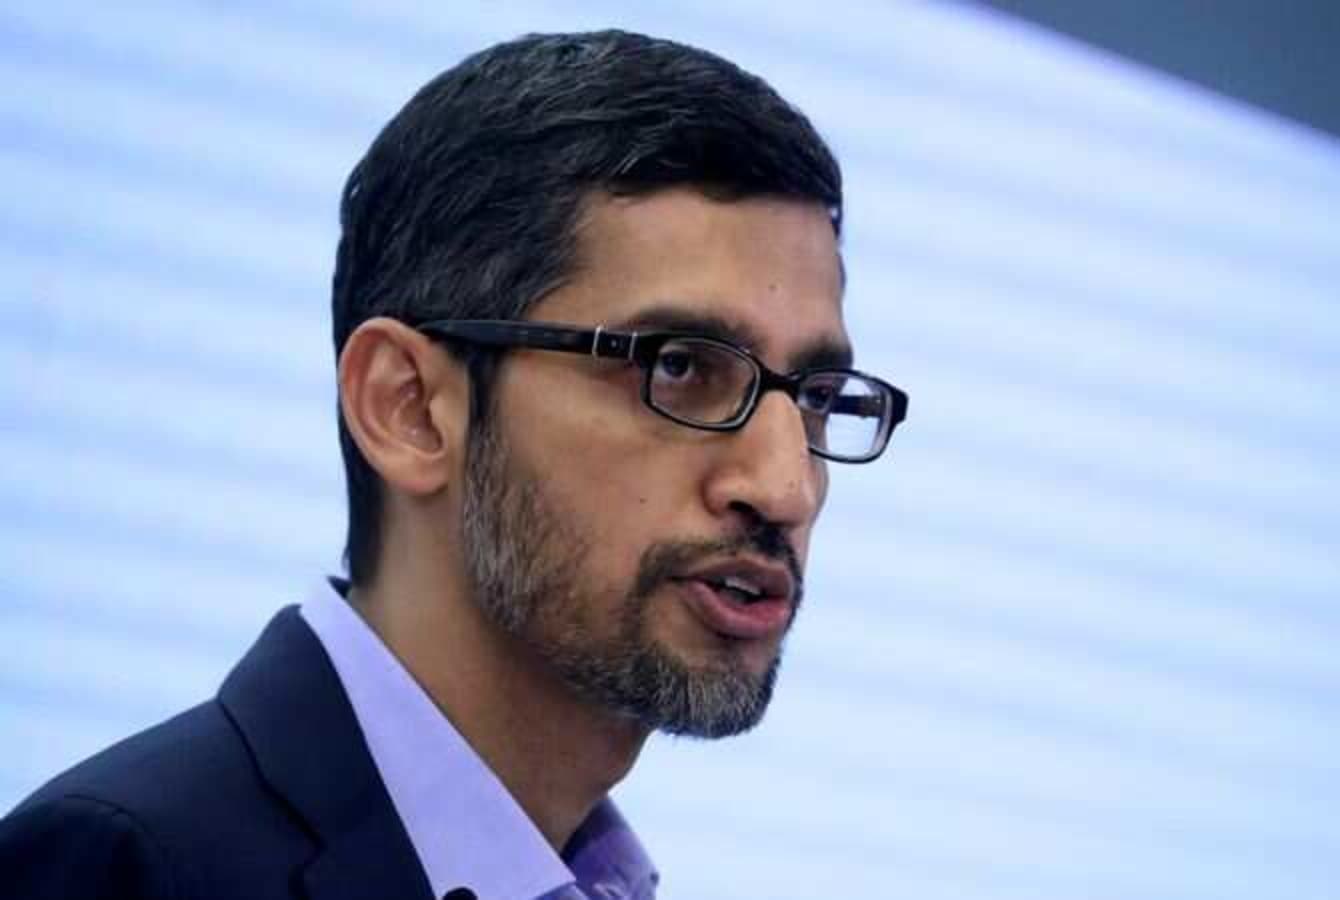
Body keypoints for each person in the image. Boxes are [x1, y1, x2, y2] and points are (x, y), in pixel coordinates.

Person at [0, 28, 907, 900]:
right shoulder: (129, 867)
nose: (786, 486)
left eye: (820, 394)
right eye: (679, 367)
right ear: (409, 408)